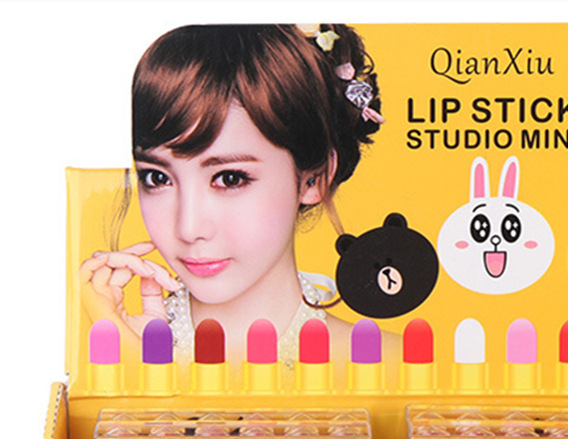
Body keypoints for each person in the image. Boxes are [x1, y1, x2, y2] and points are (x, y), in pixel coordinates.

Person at [79, 24, 383, 368]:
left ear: (314, 178)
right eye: (157, 178)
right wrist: (139, 370)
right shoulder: (116, 352)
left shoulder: (393, 364)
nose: (189, 228)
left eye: (229, 178)